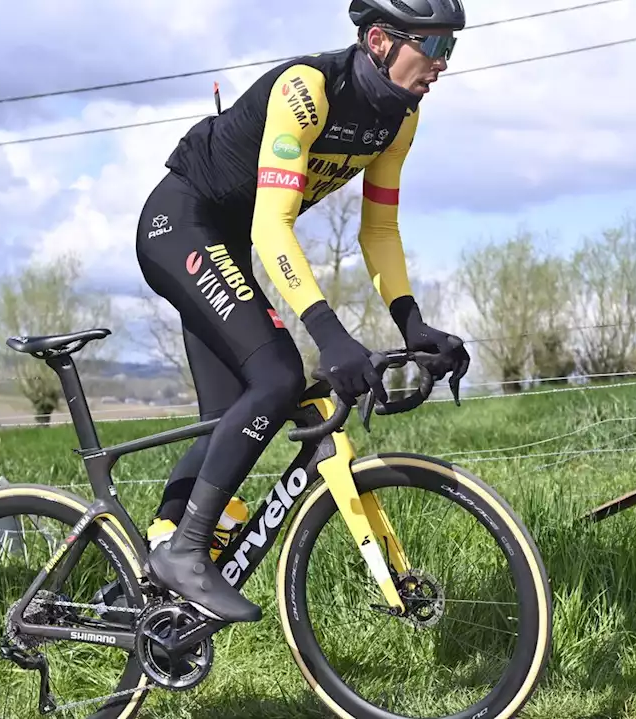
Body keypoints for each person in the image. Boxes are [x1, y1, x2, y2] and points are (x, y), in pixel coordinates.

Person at [132, 0, 471, 624]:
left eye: (451, 49)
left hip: (224, 244)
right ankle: (184, 553)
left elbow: (381, 231)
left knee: (226, 423)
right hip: (180, 225)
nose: (443, 64)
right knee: (280, 377)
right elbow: (273, 226)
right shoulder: (306, 91)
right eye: (434, 47)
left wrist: (412, 322)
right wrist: (328, 335)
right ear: (378, 40)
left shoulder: (401, 119)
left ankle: (153, 571)